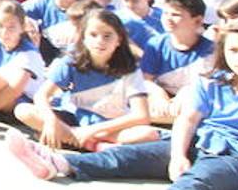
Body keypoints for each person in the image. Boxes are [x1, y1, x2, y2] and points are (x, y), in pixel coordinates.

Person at [5, 18, 238, 190]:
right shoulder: (211, 82)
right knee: (129, 156)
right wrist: (178, 154)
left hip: (237, 156)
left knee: (204, 177)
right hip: (196, 141)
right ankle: (59, 163)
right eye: (235, 50)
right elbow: (187, 120)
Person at [13, 9, 152, 150]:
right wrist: (51, 121)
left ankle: (76, 140)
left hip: (110, 127)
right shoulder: (72, 61)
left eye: (107, 36)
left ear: (119, 40)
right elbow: (41, 95)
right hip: (75, 122)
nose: (100, 41)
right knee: (23, 110)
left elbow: (141, 115)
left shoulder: (129, 69)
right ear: (84, 38)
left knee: (148, 134)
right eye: (93, 35)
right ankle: (92, 145)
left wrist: (92, 131)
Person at [138, 0, 215, 127]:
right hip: (163, 107)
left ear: (197, 20)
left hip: (194, 106)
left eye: (175, 15)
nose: (168, 19)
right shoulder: (156, 45)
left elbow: (209, 85)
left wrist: (185, 95)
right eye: (165, 13)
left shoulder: (211, 50)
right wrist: (158, 94)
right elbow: (145, 79)